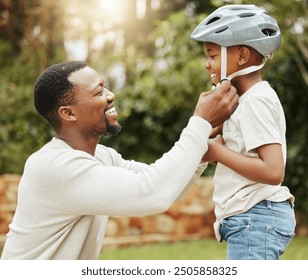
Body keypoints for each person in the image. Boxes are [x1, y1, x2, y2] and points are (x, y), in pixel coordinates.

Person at [1, 61, 238, 260]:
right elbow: (151, 193)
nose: (111, 95)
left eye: (106, 87)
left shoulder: (102, 157)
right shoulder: (53, 166)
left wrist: (201, 148)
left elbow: (166, 188)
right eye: (99, 92)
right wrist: (199, 123)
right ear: (69, 113)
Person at [191, 4, 296, 260]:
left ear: (241, 56)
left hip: (255, 217)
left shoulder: (256, 101)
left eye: (213, 55)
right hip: (253, 217)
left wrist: (218, 151)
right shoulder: (244, 101)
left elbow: (273, 171)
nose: (207, 64)